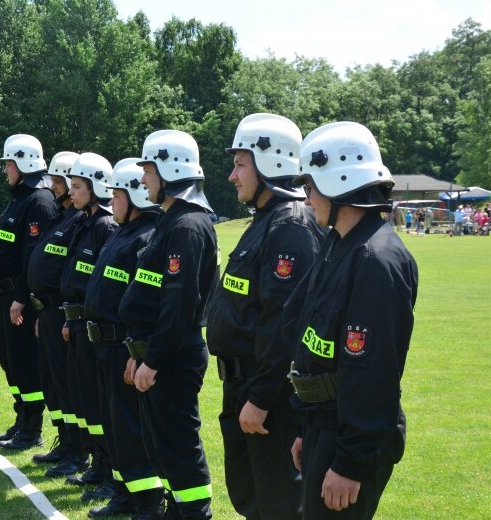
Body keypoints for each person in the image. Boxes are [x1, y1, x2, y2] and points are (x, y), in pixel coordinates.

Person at [287, 122, 418, 519]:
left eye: (309, 188)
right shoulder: (339, 244)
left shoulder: (375, 259)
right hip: (324, 423)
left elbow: (373, 372)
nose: (306, 200)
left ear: (337, 181)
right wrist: (304, 428)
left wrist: (350, 463)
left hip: (349, 434)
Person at [206, 114, 324, 520]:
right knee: (249, 496)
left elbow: (282, 325)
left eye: (240, 164)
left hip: (267, 394)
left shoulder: (291, 225)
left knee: (277, 503)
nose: (231, 176)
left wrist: (259, 397)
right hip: (242, 384)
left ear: (271, 162)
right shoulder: (265, 221)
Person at [119, 129, 218, 520]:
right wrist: (136, 350)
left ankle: (194, 513)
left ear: (170, 169)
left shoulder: (187, 226)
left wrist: (153, 359)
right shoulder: (170, 221)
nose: (143, 179)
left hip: (174, 357)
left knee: (178, 443)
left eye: (148, 169)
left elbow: (178, 307)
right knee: (162, 444)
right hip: (157, 352)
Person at [83, 158, 163, 519]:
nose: (111, 201)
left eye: (116, 195)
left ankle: (148, 501)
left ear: (135, 198)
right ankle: (123, 493)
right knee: (115, 426)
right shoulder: (122, 232)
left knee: (131, 428)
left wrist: (136, 348)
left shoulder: (146, 236)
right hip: (104, 344)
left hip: (122, 347)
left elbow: (146, 302)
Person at [0, 134, 60, 450]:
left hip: (19, 298)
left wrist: (22, 297)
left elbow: (35, 256)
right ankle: (21, 420)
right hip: (6, 296)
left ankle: (32, 429)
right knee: (10, 361)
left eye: (8, 164)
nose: (5, 171)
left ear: (23, 163)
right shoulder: (19, 198)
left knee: (25, 363)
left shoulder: (39, 202)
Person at [58, 152, 119, 501]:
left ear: (96, 188)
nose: (72, 192)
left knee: (98, 402)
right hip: (78, 323)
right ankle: (99, 462)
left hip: (92, 325)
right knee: (86, 401)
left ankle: (109, 467)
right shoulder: (85, 222)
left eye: (78, 187)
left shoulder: (105, 226)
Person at [26, 151, 88, 474]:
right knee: (53, 383)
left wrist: (64, 314)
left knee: (67, 386)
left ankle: (77, 452)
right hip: (47, 313)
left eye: (58, 180)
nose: (51, 185)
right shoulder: (61, 218)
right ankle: (65, 443)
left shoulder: (79, 221)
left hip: (60, 314)